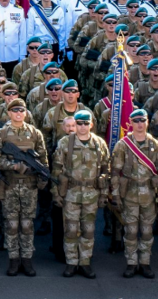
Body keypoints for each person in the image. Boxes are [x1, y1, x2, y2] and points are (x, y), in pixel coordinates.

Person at [0, 98, 48, 277]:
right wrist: (14, 165)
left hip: (29, 186)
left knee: (27, 224)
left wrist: (42, 179)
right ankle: (13, 260)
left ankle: (27, 260)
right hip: (10, 185)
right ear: (9, 113)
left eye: (21, 110)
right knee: (12, 224)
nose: (18, 113)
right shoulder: (1, 134)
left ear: (25, 113)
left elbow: (43, 159)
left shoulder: (35, 133)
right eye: (14, 110)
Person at [51, 110, 109, 279]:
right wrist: (56, 194)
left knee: (89, 230)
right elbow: (56, 170)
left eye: (85, 123)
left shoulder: (99, 144)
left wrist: (104, 194)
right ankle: (71, 262)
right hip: (71, 193)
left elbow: (106, 170)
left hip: (91, 193)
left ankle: (85, 262)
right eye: (79, 123)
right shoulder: (65, 143)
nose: (82, 127)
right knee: (70, 230)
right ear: (74, 124)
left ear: (91, 124)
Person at [112, 109, 158, 279]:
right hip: (130, 194)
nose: (140, 124)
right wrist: (116, 195)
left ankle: (145, 263)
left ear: (147, 122)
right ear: (131, 123)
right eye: (136, 121)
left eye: (143, 120)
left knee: (147, 231)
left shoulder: (155, 145)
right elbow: (115, 172)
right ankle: (132, 263)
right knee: (131, 231)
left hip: (149, 194)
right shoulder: (123, 145)